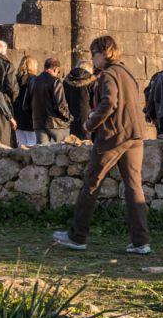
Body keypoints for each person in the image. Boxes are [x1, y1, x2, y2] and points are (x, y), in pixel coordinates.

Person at [54, 35, 151, 255]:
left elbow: (109, 102)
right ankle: (140, 241)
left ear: (103, 53)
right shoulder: (126, 72)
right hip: (135, 136)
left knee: (91, 183)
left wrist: (90, 122)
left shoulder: (108, 75)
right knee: (134, 187)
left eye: (93, 54)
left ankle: (77, 236)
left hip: (113, 136)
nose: (92, 59)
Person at [28, 56, 73, 143]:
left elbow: (26, 105)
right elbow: (60, 106)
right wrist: (69, 118)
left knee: (42, 152)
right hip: (55, 124)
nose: (58, 73)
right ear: (55, 69)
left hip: (39, 123)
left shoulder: (33, 81)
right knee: (62, 151)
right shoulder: (55, 81)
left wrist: (36, 116)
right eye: (58, 71)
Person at [64, 59, 97, 140]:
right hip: (88, 117)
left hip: (72, 117)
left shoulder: (67, 82)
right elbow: (95, 102)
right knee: (88, 145)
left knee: (74, 143)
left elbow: (64, 100)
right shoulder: (92, 82)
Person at [13, 54, 40, 147]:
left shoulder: (15, 79)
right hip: (30, 118)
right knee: (32, 144)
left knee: (20, 144)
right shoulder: (35, 80)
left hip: (16, 117)